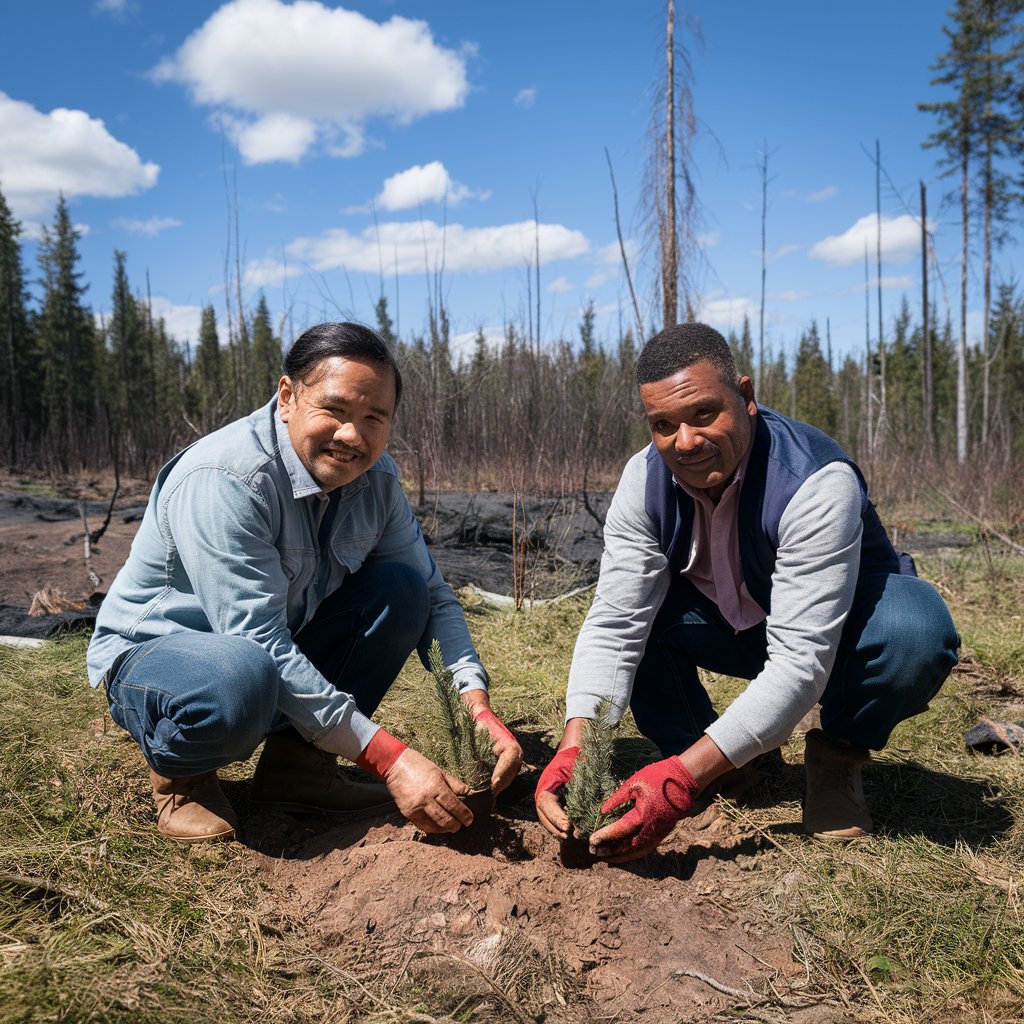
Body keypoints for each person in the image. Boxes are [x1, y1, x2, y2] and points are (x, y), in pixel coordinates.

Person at [535, 322, 958, 862]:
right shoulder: (642, 482)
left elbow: (801, 660)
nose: (684, 441)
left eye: (704, 413)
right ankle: (712, 754)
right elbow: (616, 621)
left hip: (837, 631)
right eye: (663, 425)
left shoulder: (813, 479)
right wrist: (578, 745)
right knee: (643, 622)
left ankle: (838, 752)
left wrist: (675, 784)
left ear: (747, 397)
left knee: (914, 633)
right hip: (734, 628)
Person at [88, 322, 522, 843]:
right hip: (163, 662)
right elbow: (258, 640)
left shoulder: (378, 482)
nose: (352, 436)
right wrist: (388, 758)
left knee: (402, 590)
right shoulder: (227, 479)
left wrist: (475, 701)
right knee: (240, 671)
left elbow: (432, 595)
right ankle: (183, 777)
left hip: (269, 651)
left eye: (373, 418)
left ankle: (298, 767)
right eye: (335, 411)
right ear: (288, 396)